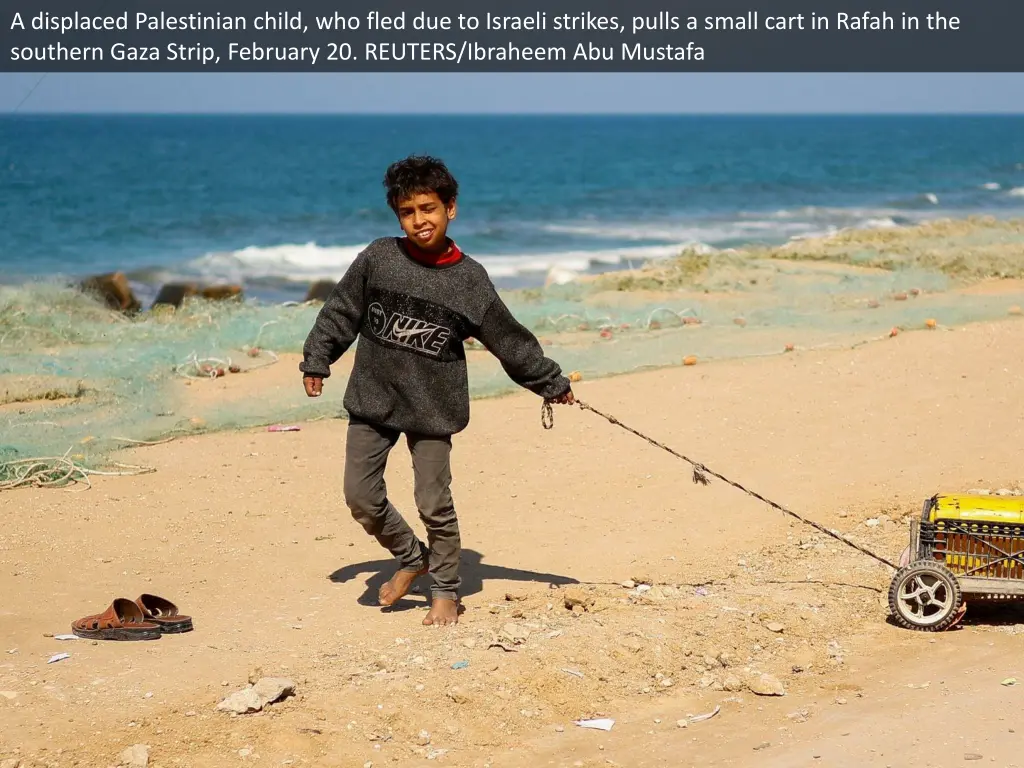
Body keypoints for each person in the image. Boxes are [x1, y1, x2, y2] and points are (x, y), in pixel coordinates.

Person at [300, 155, 575, 626]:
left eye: (428, 208)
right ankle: (412, 556)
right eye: (407, 212)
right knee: (360, 498)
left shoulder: (469, 280)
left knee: (434, 501)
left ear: (451, 208)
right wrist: (319, 358)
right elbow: (341, 310)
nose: (419, 220)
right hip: (374, 398)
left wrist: (549, 382)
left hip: (434, 406)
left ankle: (446, 589)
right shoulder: (378, 258)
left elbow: (507, 338)